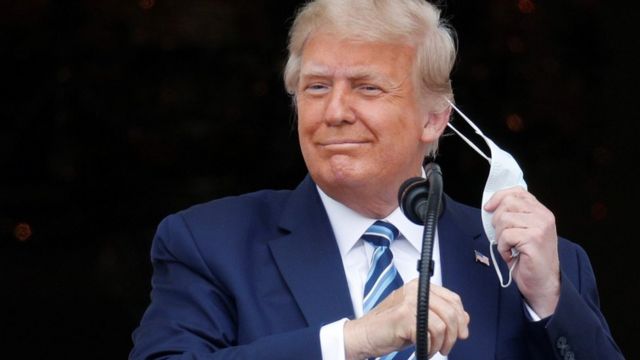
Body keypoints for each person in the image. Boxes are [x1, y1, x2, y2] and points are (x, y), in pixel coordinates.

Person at [130, 0, 623, 359]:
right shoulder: (209, 243)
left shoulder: (534, 261)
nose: (335, 112)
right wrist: (352, 341)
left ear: (433, 120)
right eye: (317, 87)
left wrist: (549, 301)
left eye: (367, 88)